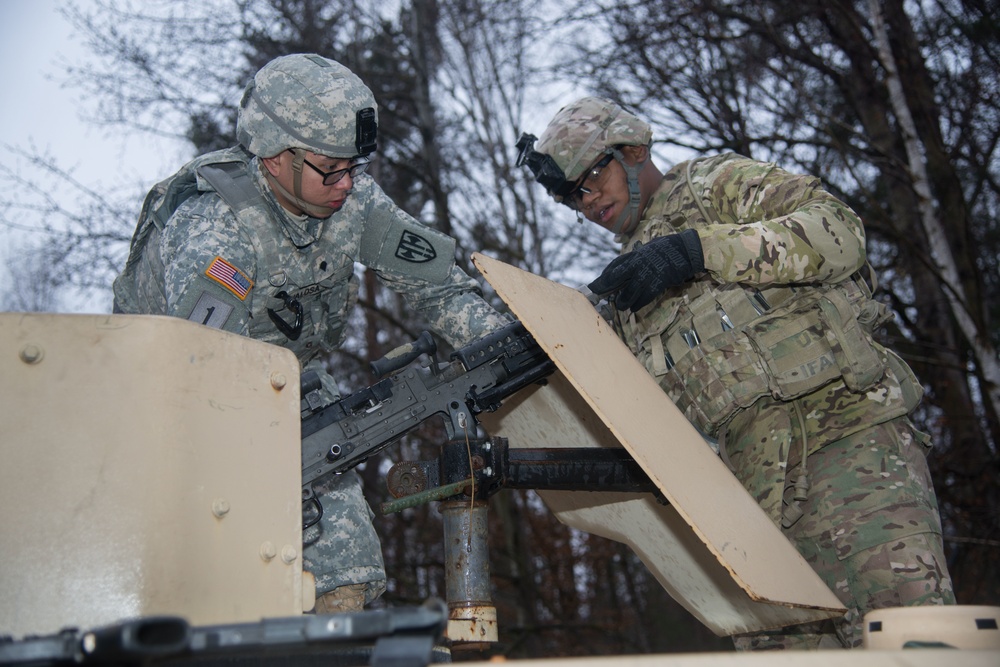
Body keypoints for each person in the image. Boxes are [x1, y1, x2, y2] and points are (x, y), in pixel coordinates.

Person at [515, 96, 955, 650]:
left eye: (591, 177)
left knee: (912, 643)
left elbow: (838, 232)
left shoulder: (712, 186)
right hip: (749, 508)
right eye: (570, 196)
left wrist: (699, 251)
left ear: (632, 151)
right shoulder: (628, 289)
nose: (586, 202)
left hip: (845, 451)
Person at [113, 54, 508, 613]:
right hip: (174, 414)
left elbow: (439, 288)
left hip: (287, 390)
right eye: (332, 169)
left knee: (345, 579)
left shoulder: (354, 202)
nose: (348, 184)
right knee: (214, 588)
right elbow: (201, 373)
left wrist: (508, 347)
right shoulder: (214, 230)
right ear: (275, 158)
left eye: (356, 167)